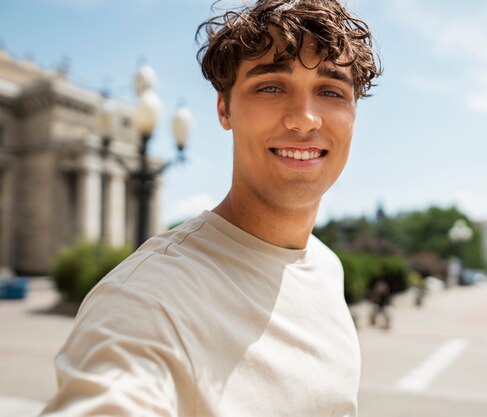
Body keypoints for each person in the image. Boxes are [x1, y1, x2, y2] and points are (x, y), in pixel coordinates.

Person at [40, 1, 381, 416]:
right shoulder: (147, 300)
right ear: (225, 109)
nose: (305, 119)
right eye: (271, 86)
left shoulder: (325, 267)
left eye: (331, 91)